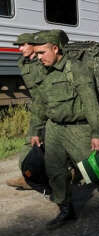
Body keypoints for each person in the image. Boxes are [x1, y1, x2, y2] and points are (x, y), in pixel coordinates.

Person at [30, 29, 99, 230]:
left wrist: (97, 134)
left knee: (93, 169)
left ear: (55, 49)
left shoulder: (76, 69)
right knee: (55, 171)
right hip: (54, 128)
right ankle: (66, 211)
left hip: (78, 129)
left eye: (42, 52)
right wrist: (35, 131)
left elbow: (91, 104)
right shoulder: (42, 72)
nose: (38, 57)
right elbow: (39, 104)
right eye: (36, 53)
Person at [6, 33, 48, 190]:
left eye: (23, 45)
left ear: (33, 45)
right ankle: (29, 177)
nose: (20, 49)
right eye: (18, 46)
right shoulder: (24, 63)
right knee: (31, 144)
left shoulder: (43, 62)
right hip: (39, 109)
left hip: (50, 109)